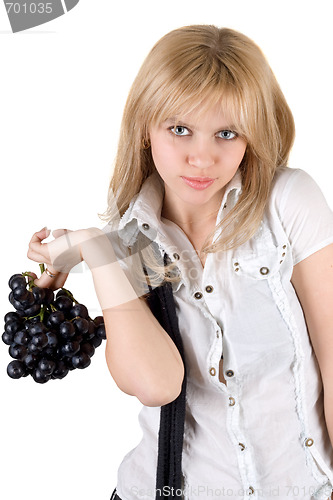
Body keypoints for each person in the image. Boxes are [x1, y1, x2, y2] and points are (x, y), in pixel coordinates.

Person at [26, 25, 333, 500]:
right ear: (145, 129)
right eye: (180, 129)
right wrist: (95, 248)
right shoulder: (135, 240)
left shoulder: (288, 204)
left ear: (251, 138)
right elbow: (155, 384)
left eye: (226, 133)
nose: (202, 157)